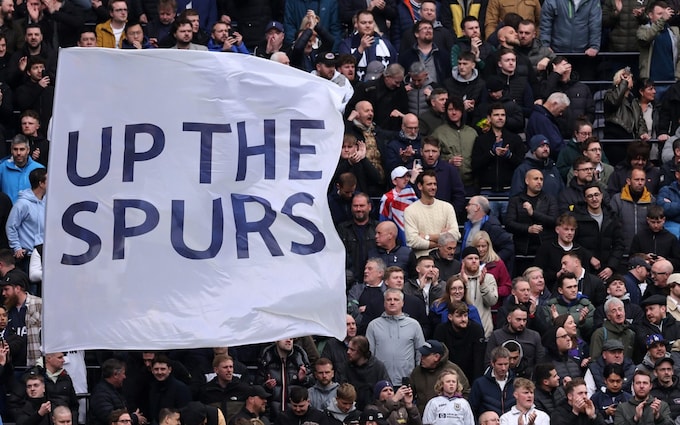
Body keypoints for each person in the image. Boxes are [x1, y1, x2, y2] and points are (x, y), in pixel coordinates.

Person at [471, 103, 526, 209]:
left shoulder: (515, 139)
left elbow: (521, 165)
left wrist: (508, 155)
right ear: (489, 118)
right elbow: (475, 165)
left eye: (503, 115)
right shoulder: (481, 140)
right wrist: (492, 153)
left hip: (509, 190)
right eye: (496, 115)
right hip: (486, 191)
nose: (500, 118)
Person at [366, 288, 425, 385]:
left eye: (396, 300)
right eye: (389, 300)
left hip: (406, 380)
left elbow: (420, 352)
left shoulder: (414, 325)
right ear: (384, 303)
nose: (392, 302)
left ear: (402, 303)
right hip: (381, 382)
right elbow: (369, 355)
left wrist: (418, 377)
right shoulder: (373, 325)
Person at [505, 169, 558, 266]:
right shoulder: (516, 200)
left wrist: (533, 213)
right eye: (536, 179)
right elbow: (509, 223)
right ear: (527, 181)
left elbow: (554, 221)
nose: (539, 182)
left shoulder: (550, 199)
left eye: (541, 179)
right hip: (522, 249)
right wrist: (528, 229)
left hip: (544, 247)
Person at [573, 184, 625, 282]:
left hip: (608, 270)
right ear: (585, 199)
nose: (594, 199)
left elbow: (619, 244)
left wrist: (611, 267)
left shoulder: (612, 217)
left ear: (601, 196)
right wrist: (589, 257)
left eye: (596, 195)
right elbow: (573, 243)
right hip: (585, 269)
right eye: (590, 196)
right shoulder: (577, 218)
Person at [404, 170, 461, 258]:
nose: (433, 187)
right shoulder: (410, 210)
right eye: (429, 184)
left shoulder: (447, 207)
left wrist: (427, 237)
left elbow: (455, 235)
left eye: (435, 184)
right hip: (422, 260)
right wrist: (441, 241)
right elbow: (412, 241)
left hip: (445, 260)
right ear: (420, 186)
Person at [410, 339, 471, 414]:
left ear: (436, 357)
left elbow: (466, 392)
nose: (421, 358)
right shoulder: (417, 372)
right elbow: (409, 394)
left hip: (449, 417)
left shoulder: (453, 370)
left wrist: (455, 409)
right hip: (423, 418)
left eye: (425, 356)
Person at [432, 98, 477, 194]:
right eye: (450, 109)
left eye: (457, 109)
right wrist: (449, 161)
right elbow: (431, 157)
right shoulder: (439, 133)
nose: (453, 112)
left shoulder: (472, 133)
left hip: (471, 184)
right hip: (447, 183)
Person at [433, 300, 486, 381]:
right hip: (447, 375)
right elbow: (440, 358)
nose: (463, 319)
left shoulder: (476, 329)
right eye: (459, 316)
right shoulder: (441, 330)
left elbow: (478, 360)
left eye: (465, 315)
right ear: (450, 317)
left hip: (470, 374)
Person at [6, 167, 45, 275]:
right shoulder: (22, 204)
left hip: (44, 254)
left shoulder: (47, 201)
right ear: (41, 183)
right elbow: (11, 226)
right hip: (28, 256)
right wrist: (16, 247)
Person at [340, 10, 397, 83]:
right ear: (356, 24)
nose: (367, 25)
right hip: (356, 88)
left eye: (370, 22)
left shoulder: (385, 43)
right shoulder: (347, 44)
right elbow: (345, 68)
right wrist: (360, 49)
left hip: (382, 89)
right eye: (363, 23)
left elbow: (394, 66)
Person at [257, 339, 312, 415]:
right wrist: (267, 386)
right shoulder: (267, 358)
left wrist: (304, 379)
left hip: (296, 415)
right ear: (276, 340)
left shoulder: (300, 358)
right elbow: (257, 387)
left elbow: (312, 386)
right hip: (271, 414)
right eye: (285, 337)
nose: (289, 340)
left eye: (291, 338)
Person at [1, 267, 41, 367]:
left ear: (18, 288)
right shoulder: (6, 309)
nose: (3, 293)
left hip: (34, 365)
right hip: (12, 366)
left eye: (6, 289)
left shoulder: (39, 304)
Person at [486, 305, 545, 372]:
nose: (522, 323)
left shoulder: (534, 336)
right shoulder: (496, 335)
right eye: (518, 319)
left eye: (524, 320)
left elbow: (541, 363)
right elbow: (489, 362)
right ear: (509, 319)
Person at [460, 196, 514, 270]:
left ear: (477, 207)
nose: (466, 207)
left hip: (485, 271)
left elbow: (508, 247)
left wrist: (492, 263)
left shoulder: (492, 226)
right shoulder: (468, 225)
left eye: (469, 204)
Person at [538, 272, 596, 339]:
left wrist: (582, 322)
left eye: (575, 286)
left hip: (580, 346)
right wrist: (556, 321)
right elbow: (546, 333)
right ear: (560, 290)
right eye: (569, 287)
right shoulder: (550, 307)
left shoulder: (587, 306)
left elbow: (591, 333)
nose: (573, 290)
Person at [90, 359, 148, 425]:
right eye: (123, 373)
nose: (125, 377)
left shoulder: (115, 390)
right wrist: (134, 418)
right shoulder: (100, 394)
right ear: (115, 374)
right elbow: (109, 416)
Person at [611, 168, 656, 253]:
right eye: (636, 179)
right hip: (621, 251)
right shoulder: (617, 199)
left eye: (642, 180)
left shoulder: (651, 200)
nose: (640, 183)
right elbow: (612, 224)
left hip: (643, 252)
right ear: (628, 181)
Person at [418, 137, 466, 215]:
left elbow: (459, 195)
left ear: (439, 152)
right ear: (421, 152)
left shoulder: (450, 170)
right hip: (420, 215)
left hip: (444, 216)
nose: (430, 155)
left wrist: (450, 214)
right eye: (427, 151)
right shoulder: (414, 170)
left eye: (434, 151)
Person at [338, 193, 378, 282]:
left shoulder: (378, 228)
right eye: (355, 206)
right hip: (350, 280)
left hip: (373, 280)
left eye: (362, 206)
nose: (358, 209)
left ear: (369, 207)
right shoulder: (342, 229)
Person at [603, 69, 650, 146]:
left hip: (631, 139)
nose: (629, 79)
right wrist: (623, 83)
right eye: (625, 77)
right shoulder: (609, 94)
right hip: (615, 139)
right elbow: (614, 102)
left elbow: (640, 120)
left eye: (629, 77)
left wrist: (643, 133)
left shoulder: (634, 101)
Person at [637, 1, 680, 84]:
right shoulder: (643, 30)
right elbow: (646, 39)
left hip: (671, 83)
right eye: (660, 14)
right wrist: (662, 20)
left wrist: (677, 77)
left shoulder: (674, 31)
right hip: (651, 84)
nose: (664, 17)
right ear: (650, 15)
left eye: (664, 14)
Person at [459, 246, 498, 337]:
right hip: (462, 332)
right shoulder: (457, 279)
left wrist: (482, 285)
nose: (474, 261)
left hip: (484, 331)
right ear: (463, 262)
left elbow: (492, 302)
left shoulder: (488, 278)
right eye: (470, 258)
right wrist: (464, 284)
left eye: (476, 258)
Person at [198, 354, 250, 421]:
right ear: (216, 370)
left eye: (231, 367)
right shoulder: (206, 391)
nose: (229, 370)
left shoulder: (243, 389)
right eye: (225, 367)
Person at [510, 134, 564, 198]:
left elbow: (562, 192)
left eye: (547, 146)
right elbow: (516, 196)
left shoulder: (553, 168)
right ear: (534, 150)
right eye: (542, 146)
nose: (545, 149)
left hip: (553, 207)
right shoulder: (522, 170)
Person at [345, 335, 391, 410]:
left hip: (374, 411)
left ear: (361, 352)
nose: (348, 352)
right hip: (351, 411)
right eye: (348, 348)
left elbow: (386, 390)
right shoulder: (346, 367)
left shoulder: (378, 367)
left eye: (352, 350)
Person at [469, 346, 516, 416]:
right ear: (492, 363)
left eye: (506, 364)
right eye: (500, 364)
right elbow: (472, 409)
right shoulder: (480, 384)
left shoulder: (516, 383)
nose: (503, 368)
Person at [630, 206, 680, 271]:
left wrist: (665, 261)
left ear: (664, 220)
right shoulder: (639, 236)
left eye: (658, 222)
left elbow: (678, 261)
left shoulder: (671, 238)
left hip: (664, 273)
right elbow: (632, 257)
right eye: (653, 222)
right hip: (644, 273)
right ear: (648, 220)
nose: (656, 225)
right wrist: (644, 257)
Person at [526, 92, 571, 159]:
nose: (561, 114)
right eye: (561, 110)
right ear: (555, 104)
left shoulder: (542, 117)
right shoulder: (541, 120)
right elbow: (554, 145)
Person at [471, 231, 512, 303]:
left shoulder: (498, 263)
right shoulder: (467, 262)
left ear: (488, 246)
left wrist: (493, 291)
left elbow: (507, 287)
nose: (480, 249)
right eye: (478, 246)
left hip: (491, 307)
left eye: (483, 246)